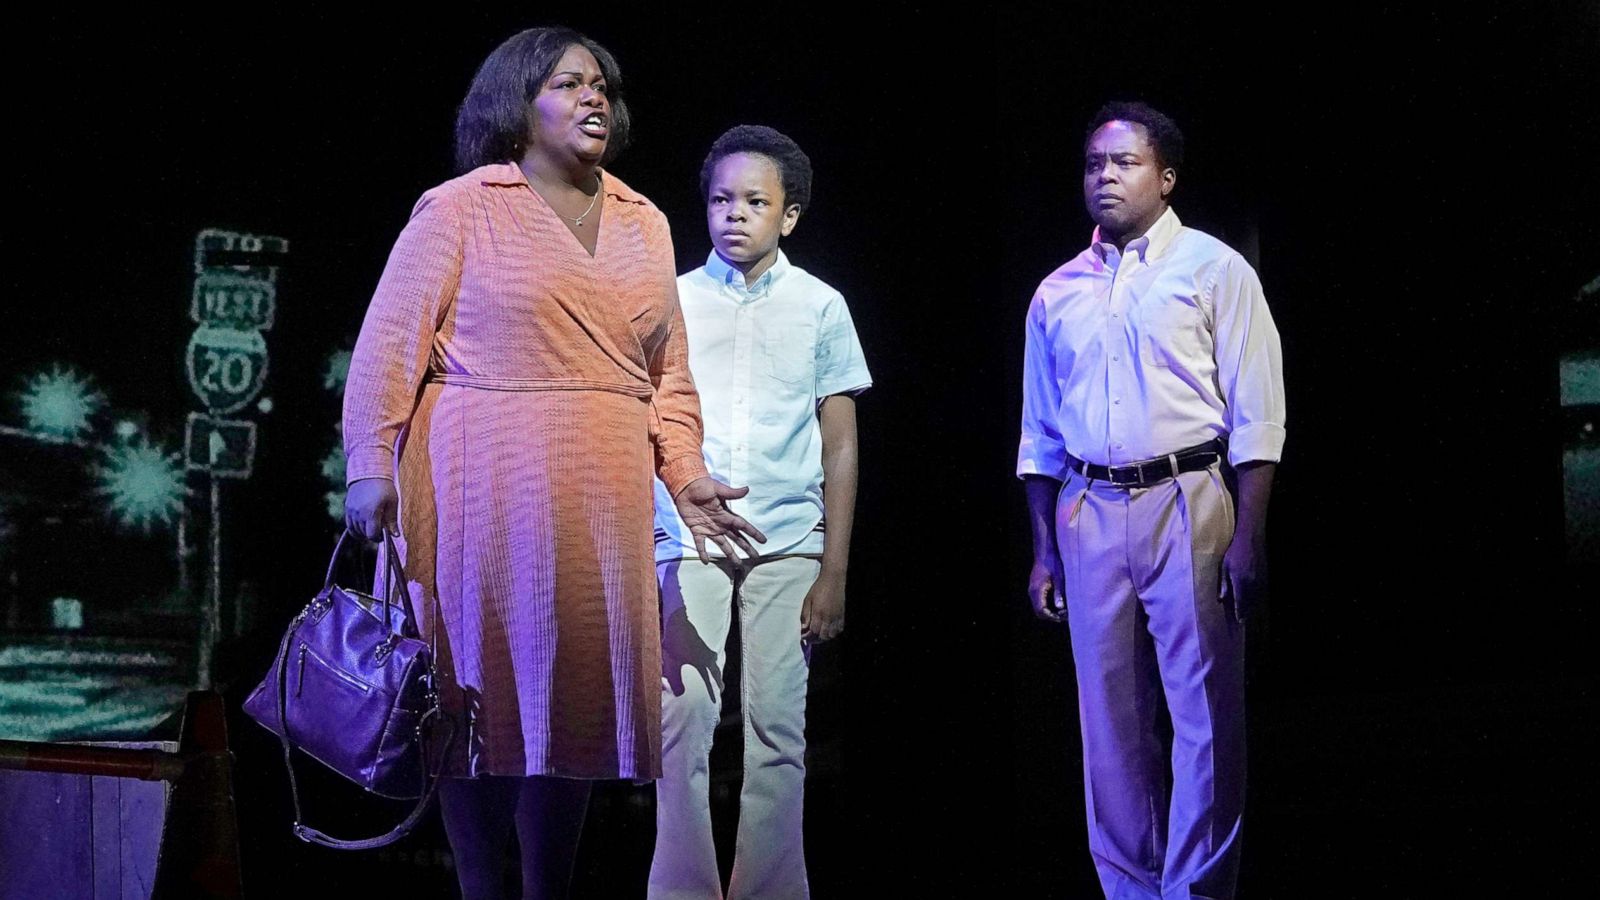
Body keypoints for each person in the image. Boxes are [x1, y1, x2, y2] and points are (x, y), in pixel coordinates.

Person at [341, 27, 764, 900]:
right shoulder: (462, 206)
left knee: (568, 698)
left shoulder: (644, 221)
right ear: (516, 104)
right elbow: (388, 345)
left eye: (602, 83)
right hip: (475, 484)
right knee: (474, 692)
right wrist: (367, 465)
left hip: (598, 493)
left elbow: (667, 379)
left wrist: (685, 477)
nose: (594, 96)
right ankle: (479, 888)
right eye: (569, 83)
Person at [1017, 101, 1285, 900]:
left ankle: (1197, 886)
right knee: (1109, 719)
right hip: (1088, 507)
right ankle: (1131, 885)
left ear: (1165, 177)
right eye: (1095, 162)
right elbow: (1038, 434)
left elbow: (1258, 413)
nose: (1105, 175)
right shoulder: (1056, 290)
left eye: (1125, 161)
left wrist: (1249, 537)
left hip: (1188, 495)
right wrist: (1042, 549)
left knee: (1202, 710)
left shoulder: (1213, 270)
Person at [647, 125, 871, 900]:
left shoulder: (820, 306)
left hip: (788, 540)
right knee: (682, 726)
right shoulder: (670, 298)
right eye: (720, 199)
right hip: (688, 534)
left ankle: (770, 890)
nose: (734, 214)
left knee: (780, 730)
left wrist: (834, 569)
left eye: (754, 201)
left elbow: (839, 445)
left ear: (790, 215)